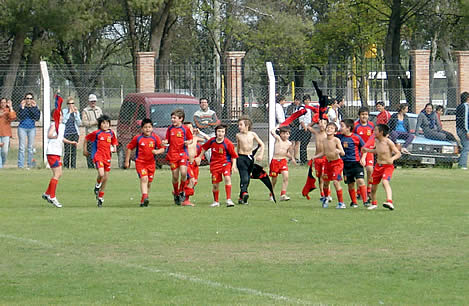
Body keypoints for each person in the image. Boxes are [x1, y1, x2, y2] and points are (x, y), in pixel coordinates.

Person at [42, 109, 78, 208]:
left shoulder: (62, 126)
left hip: (57, 153)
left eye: (61, 115)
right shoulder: (54, 125)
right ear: (54, 117)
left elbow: (61, 138)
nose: (60, 117)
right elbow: (49, 135)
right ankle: (52, 196)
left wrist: (71, 142)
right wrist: (54, 136)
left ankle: (47, 193)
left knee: (59, 173)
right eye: (58, 116)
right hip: (52, 152)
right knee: (57, 174)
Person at [124, 118, 165, 207]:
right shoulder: (138, 138)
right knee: (144, 179)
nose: (147, 129)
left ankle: (144, 200)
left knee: (149, 182)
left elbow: (162, 148)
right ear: (142, 129)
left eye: (149, 127)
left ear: (152, 128)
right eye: (145, 127)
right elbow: (129, 147)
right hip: (140, 163)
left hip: (151, 163)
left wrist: (157, 152)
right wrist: (127, 161)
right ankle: (145, 196)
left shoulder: (155, 138)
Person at [197, 124, 238, 207]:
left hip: (226, 163)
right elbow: (204, 148)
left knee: (227, 177)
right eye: (219, 131)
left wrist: (234, 166)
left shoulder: (228, 143)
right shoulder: (212, 141)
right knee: (215, 184)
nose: (220, 133)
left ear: (225, 133)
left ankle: (229, 200)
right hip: (215, 165)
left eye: (222, 131)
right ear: (216, 132)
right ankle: (216, 201)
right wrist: (199, 157)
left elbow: (234, 156)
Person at [362, 124, 401, 210]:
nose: (374, 132)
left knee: (385, 182)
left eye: (375, 130)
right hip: (377, 167)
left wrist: (393, 158)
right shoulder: (376, 141)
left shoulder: (388, 142)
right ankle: (374, 203)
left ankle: (389, 201)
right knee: (373, 187)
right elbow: (377, 151)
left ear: (381, 132)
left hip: (387, 166)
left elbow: (398, 153)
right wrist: (367, 150)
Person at [83, 115, 118, 207]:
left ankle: (100, 197)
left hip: (107, 157)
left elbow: (114, 141)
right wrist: (85, 150)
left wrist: (114, 148)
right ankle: (97, 185)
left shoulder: (111, 133)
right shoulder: (97, 133)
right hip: (98, 156)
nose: (105, 125)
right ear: (100, 124)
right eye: (103, 123)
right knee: (101, 174)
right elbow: (86, 138)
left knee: (105, 178)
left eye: (107, 123)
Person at [162, 109, 193, 205]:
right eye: (172, 118)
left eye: (174, 118)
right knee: (175, 176)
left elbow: (190, 139)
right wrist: (165, 142)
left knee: (183, 172)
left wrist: (188, 142)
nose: (172, 120)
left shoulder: (185, 129)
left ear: (181, 119)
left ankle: (182, 190)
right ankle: (176, 193)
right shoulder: (170, 129)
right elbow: (167, 139)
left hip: (182, 154)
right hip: (173, 155)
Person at [313, 122, 345, 208]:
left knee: (335, 182)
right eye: (328, 127)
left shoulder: (336, 140)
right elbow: (324, 152)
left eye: (331, 128)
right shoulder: (324, 140)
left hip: (337, 163)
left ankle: (341, 203)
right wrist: (315, 156)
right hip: (328, 163)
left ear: (335, 132)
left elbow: (343, 152)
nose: (329, 129)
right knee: (325, 182)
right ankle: (326, 198)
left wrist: (339, 151)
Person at [340, 119, 369, 208]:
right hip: (346, 164)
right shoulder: (339, 137)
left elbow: (365, 149)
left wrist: (363, 158)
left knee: (360, 180)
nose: (340, 128)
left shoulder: (356, 137)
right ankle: (354, 202)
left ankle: (365, 201)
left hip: (356, 163)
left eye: (342, 126)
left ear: (348, 128)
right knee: (350, 183)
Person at [236, 116, 265, 204]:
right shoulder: (238, 135)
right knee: (244, 176)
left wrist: (260, 154)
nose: (239, 127)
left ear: (247, 125)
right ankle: (245, 192)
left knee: (248, 177)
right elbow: (238, 147)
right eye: (239, 125)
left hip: (250, 158)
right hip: (241, 158)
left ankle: (241, 197)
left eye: (241, 125)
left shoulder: (252, 134)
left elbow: (262, 144)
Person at [181, 122, 209, 206]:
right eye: (187, 128)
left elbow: (209, 139)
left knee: (193, 182)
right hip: (186, 162)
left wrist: (200, 132)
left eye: (191, 127)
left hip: (194, 164)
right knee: (191, 180)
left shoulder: (195, 138)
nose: (190, 129)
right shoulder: (183, 139)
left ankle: (180, 193)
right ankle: (185, 200)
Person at [353, 106, 375, 197]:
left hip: (369, 151)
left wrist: (373, 145)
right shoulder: (356, 126)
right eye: (362, 114)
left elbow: (374, 137)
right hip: (358, 151)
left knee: (370, 169)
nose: (364, 116)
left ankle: (369, 189)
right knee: (359, 171)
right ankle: (359, 191)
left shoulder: (371, 125)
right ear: (359, 115)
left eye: (366, 114)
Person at [269, 126, 294, 201]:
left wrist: (292, 158)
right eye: (283, 133)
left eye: (287, 134)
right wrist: (277, 126)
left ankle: (283, 194)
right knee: (274, 179)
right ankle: (271, 194)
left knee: (286, 177)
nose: (285, 135)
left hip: (283, 161)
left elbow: (287, 153)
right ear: (280, 134)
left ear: (289, 135)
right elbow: (272, 132)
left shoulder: (289, 143)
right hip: (275, 161)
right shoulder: (278, 139)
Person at [309, 119, 330, 205]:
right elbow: (308, 127)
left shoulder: (327, 135)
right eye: (320, 123)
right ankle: (322, 194)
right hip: (317, 158)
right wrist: (315, 120)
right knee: (319, 178)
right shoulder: (316, 133)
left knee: (325, 177)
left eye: (324, 123)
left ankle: (328, 194)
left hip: (325, 158)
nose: (322, 125)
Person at [17, 92, 41, 168]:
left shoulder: (34, 107)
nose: (29, 100)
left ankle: (29, 164)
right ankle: (20, 165)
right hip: (22, 128)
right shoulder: (21, 107)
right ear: (25, 99)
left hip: (31, 128)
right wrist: (23, 108)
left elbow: (36, 117)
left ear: (32, 100)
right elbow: (21, 117)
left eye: (30, 98)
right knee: (22, 147)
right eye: (27, 98)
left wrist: (33, 107)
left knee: (30, 147)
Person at [82, 94, 103, 168]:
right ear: (89, 102)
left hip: (99, 134)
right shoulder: (85, 111)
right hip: (91, 134)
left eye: (94, 101)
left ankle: (98, 164)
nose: (93, 103)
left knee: (99, 151)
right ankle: (90, 166)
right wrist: (95, 122)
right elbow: (85, 123)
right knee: (90, 151)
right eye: (92, 101)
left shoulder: (99, 109)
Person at [62, 97, 82, 168]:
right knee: (67, 151)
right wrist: (69, 113)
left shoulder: (76, 112)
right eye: (69, 103)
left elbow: (79, 123)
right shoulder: (64, 111)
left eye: (72, 103)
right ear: (67, 104)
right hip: (66, 133)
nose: (71, 105)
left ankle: (73, 166)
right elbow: (64, 121)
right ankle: (66, 166)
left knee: (74, 151)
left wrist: (76, 114)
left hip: (74, 133)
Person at [285, 95, 302, 162]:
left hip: (299, 126)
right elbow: (288, 117)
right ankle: (291, 157)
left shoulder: (301, 107)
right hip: (292, 127)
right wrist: (292, 124)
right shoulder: (290, 107)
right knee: (292, 142)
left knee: (297, 142)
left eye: (298, 100)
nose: (297, 102)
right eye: (296, 100)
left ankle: (295, 157)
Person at [0, 98, 16, 168]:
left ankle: (2, 164)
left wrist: (11, 107)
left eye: (4, 102)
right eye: (1, 102)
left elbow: (13, 117)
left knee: (4, 151)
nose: (3, 104)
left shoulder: (8, 110)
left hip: (5, 134)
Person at [456, 92, 469, 169]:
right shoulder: (465, 107)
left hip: (458, 128)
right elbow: (465, 120)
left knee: (465, 146)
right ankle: (462, 164)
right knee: (466, 147)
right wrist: (467, 131)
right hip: (463, 130)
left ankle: (460, 161)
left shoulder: (459, 106)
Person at [298, 95, 313, 164]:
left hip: (308, 127)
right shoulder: (302, 108)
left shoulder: (309, 108)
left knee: (305, 144)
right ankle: (303, 160)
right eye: (306, 100)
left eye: (308, 100)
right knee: (303, 144)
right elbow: (301, 119)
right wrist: (305, 128)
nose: (307, 101)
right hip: (304, 129)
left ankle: (305, 158)